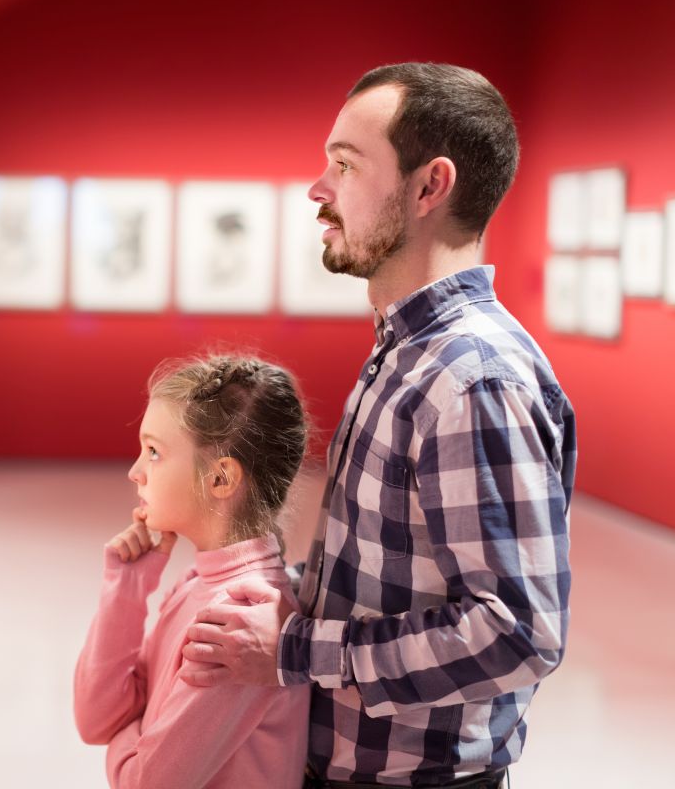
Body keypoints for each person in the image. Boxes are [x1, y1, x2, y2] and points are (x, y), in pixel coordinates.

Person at [181, 63, 576, 789]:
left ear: (430, 187)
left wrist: (294, 651)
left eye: (344, 165)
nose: (317, 189)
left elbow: (520, 633)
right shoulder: (405, 353)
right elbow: (387, 564)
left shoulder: (472, 381)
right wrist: (275, 587)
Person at [74, 354, 314, 787]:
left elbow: (145, 782)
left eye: (154, 452)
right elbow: (96, 717)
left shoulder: (238, 619)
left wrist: (133, 733)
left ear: (220, 479)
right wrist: (127, 587)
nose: (135, 472)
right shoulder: (199, 585)